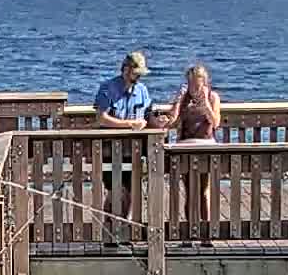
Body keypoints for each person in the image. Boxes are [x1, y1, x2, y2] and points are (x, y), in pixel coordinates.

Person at [91, 51, 155, 243]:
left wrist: (158, 121)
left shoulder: (142, 90)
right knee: (115, 190)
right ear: (126, 70)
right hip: (110, 151)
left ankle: (121, 228)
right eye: (137, 73)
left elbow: (148, 114)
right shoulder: (108, 88)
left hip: (133, 152)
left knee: (129, 192)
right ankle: (109, 228)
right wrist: (129, 124)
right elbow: (101, 118)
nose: (139, 77)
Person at [168, 63, 222, 232]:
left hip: (205, 145)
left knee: (203, 192)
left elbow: (216, 123)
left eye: (197, 85)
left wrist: (205, 103)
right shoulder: (184, 98)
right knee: (190, 192)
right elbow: (172, 122)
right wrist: (178, 101)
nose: (194, 89)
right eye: (191, 85)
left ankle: (206, 232)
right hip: (185, 145)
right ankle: (190, 231)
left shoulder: (213, 97)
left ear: (204, 83)